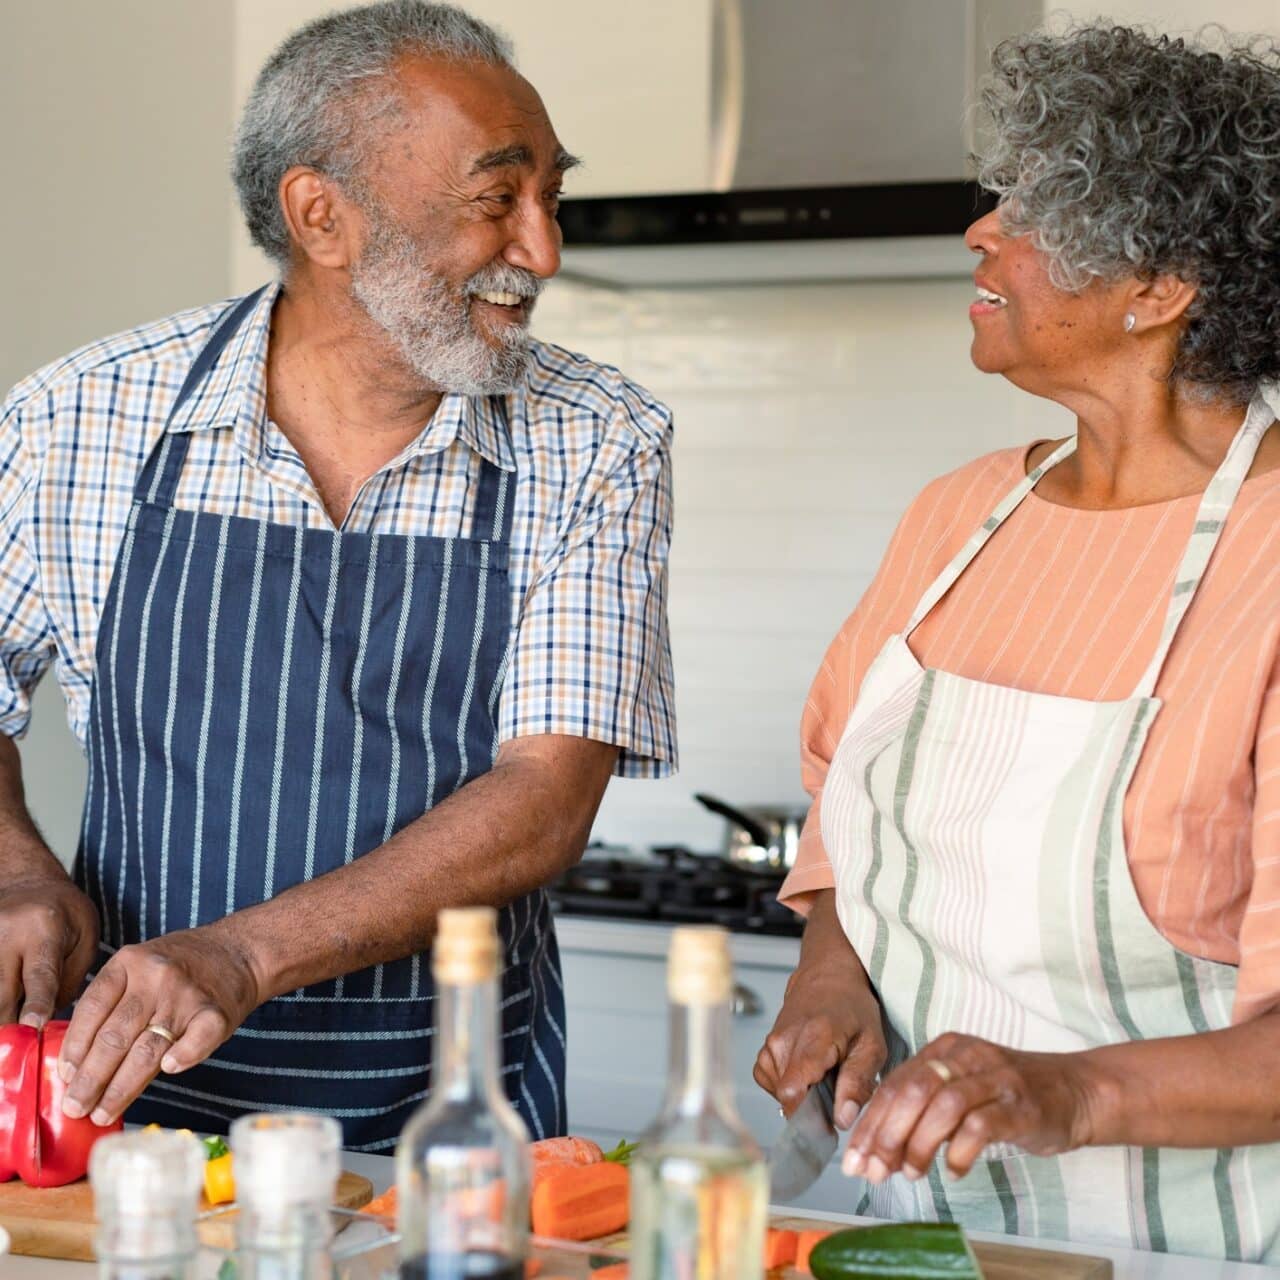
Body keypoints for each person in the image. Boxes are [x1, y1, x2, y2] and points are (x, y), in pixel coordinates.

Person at [0, 0, 675, 1150]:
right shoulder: (82, 417)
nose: (543, 250)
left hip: (449, 1112)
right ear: (322, 216)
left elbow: (546, 796)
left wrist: (242, 953)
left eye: (550, 196)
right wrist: (15, 863)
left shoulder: (598, 436)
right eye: (494, 199)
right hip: (125, 1105)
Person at [755, 22, 1280, 1263]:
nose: (980, 231)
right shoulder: (957, 516)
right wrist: (834, 970)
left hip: (1199, 1243)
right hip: (917, 1228)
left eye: (1035, 207)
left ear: (1160, 289)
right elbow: (842, 795)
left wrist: (1065, 1091)